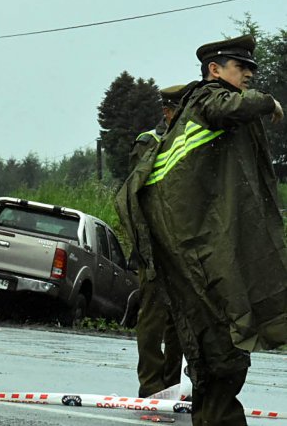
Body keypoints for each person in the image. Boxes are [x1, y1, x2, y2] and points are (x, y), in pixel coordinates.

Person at [116, 35, 287, 425]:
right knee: (217, 356)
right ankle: (158, 393)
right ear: (214, 70)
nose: (249, 75)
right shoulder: (208, 98)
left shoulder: (205, 114)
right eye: (240, 67)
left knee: (215, 355)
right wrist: (268, 102)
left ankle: (182, 398)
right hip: (191, 255)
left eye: (251, 69)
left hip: (193, 251)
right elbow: (226, 106)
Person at [129, 84, 188, 398]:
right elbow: (146, 191)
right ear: (168, 110)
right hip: (154, 244)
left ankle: (172, 385)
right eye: (182, 109)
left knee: (181, 320)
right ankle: (151, 386)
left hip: (183, 246)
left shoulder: (189, 141)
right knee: (153, 315)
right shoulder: (150, 142)